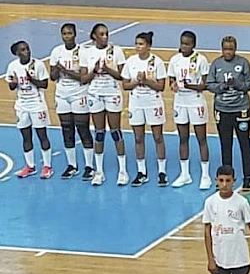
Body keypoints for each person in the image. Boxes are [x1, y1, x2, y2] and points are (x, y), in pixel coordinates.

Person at [79, 23, 129, 186]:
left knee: (115, 131)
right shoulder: (86, 52)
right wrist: (94, 70)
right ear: (94, 36)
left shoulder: (116, 51)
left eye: (106, 34)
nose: (105, 37)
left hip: (112, 93)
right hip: (95, 94)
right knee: (99, 133)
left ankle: (123, 171)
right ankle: (99, 171)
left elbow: (123, 76)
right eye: (101, 34)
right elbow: (83, 79)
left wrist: (108, 69)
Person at [206, 36, 250, 191]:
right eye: (225, 49)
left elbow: (249, 84)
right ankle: (228, 178)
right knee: (225, 144)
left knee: (244, 143)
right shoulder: (216, 64)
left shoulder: (243, 63)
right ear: (222, 49)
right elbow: (210, 84)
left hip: (241, 109)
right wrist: (222, 87)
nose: (228, 52)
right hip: (222, 110)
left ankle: (247, 177)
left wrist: (237, 84)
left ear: (235, 49)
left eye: (231, 49)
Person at [121, 31, 169, 187]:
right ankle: (142, 172)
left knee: (157, 137)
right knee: (138, 137)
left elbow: (161, 86)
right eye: (136, 43)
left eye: (141, 44)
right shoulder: (131, 62)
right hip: (136, 102)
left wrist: (147, 81)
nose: (137, 47)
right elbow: (125, 85)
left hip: (153, 102)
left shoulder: (157, 62)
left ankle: (162, 172)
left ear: (148, 46)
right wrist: (137, 82)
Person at [167, 30, 212, 189]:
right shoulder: (175, 60)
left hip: (195, 101)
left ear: (193, 44)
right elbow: (171, 79)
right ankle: (185, 174)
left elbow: (204, 85)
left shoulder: (201, 60)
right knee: (183, 138)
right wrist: (172, 84)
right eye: (182, 43)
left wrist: (189, 86)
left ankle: (205, 175)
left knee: (201, 138)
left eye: (187, 44)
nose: (184, 46)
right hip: (180, 101)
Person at [48, 23, 94, 180]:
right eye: (64, 33)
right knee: (67, 129)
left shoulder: (83, 52)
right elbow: (53, 77)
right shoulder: (56, 51)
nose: (67, 36)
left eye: (69, 33)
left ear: (75, 35)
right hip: (62, 95)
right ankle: (72, 165)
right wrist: (56, 69)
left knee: (83, 128)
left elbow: (83, 78)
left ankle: (89, 166)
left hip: (79, 94)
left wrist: (65, 70)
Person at [5, 40, 53, 179]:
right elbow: (12, 87)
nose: (27, 51)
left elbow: (44, 84)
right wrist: (14, 83)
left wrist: (31, 79)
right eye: (23, 50)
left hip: (37, 104)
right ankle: (30, 166)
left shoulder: (38, 65)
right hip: (22, 105)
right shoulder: (12, 66)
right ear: (17, 53)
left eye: (27, 48)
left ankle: (47, 166)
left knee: (42, 135)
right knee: (26, 137)